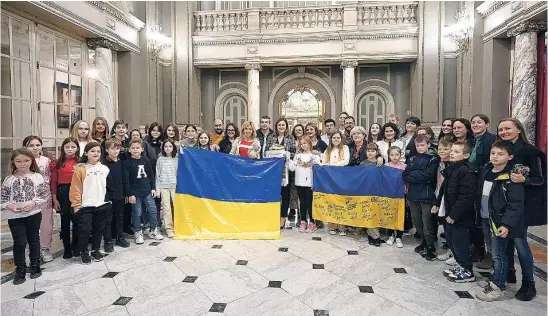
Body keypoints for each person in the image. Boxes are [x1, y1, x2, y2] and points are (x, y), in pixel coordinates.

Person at [497, 118, 545, 300]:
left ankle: (529, 282)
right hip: (502, 202)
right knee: (504, 241)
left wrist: (526, 180)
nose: (504, 132)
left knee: (519, 242)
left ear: (518, 129)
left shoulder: (531, 152)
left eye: (508, 128)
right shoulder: (499, 150)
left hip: (522, 205)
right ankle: (509, 272)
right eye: (501, 129)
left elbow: (541, 179)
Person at [476, 140, 525, 301]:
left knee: (499, 255)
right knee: (491, 249)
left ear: (510, 156)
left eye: (500, 154)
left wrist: (507, 224)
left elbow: (515, 204)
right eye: (493, 153)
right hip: (485, 216)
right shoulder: (486, 170)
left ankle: (498, 286)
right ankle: (496, 277)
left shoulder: (511, 177)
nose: (495, 157)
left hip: (499, 221)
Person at [1, 148, 49, 284]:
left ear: (31, 161)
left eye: (26, 161)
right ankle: (20, 269)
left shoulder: (37, 177)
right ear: (13, 162)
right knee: (19, 243)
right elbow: (2, 198)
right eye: (19, 161)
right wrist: (10, 206)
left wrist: (34, 203)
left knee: (34, 240)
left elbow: (43, 194)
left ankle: (35, 265)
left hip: (33, 214)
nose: (22, 164)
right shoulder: (8, 179)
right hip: (15, 217)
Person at [438, 141, 478, 283]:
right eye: (452, 150)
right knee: (451, 240)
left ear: (466, 155)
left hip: (460, 216)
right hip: (450, 212)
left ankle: (467, 271)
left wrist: (454, 214)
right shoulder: (453, 168)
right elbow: (445, 191)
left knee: (459, 242)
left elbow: (465, 197)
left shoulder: (467, 171)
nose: (452, 153)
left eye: (456, 152)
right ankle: (461, 266)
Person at [70, 142, 114, 264]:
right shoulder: (80, 169)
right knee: (84, 230)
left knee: (98, 229)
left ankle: (95, 249)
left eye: (98, 151)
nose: (96, 153)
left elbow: (109, 187)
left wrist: (109, 201)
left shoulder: (104, 168)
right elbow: (75, 188)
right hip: (85, 206)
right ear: (86, 153)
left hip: (101, 204)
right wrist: (76, 205)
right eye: (92, 151)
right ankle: (84, 251)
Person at [402, 134, 439, 261]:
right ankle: (423, 241)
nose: (420, 147)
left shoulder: (433, 159)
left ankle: (430, 246)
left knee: (427, 222)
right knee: (417, 222)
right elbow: (405, 175)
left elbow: (429, 176)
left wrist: (415, 174)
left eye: (422, 145)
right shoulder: (412, 159)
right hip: (413, 194)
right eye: (417, 145)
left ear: (428, 145)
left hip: (427, 195)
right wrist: (418, 174)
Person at [123, 139, 163, 244]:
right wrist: (130, 194)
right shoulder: (127, 163)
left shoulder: (145, 160)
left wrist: (153, 188)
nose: (135, 150)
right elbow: (126, 180)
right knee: (137, 213)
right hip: (135, 193)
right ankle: (138, 232)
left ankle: (153, 229)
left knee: (153, 210)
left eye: (137, 148)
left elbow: (150, 175)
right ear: (129, 149)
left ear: (142, 149)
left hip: (147, 190)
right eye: (133, 148)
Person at [23, 136, 54, 263]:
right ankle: (29, 250)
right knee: (29, 224)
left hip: (45, 197)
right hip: (28, 198)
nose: (35, 148)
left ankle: (45, 248)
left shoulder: (46, 160)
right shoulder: (22, 161)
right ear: (25, 147)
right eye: (31, 145)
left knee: (46, 224)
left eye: (37, 145)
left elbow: (51, 178)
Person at [50, 138, 80, 259]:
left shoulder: (81, 162)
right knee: (65, 220)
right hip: (63, 192)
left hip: (77, 192)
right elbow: (53, 182)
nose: (70, 149)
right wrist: (55, 199)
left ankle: (76, 246)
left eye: (73, 147)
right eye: (67, 147)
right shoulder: (57, 163)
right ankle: (67, 248)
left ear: (77, 148)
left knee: (77, 220)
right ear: (63, 148)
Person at [265, 118, 297, 228]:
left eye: (283, 125)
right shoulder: (271, 137)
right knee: (274, 194)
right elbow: (267, 152)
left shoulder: (290, 138)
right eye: (279, 125)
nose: (281, 127)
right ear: (276, 126)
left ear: (286, 126)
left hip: (286, 171)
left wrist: (286, 155)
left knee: (285, 195)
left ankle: (282, 218)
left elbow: (294, 153)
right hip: (273, 171)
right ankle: (274, 216)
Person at [102, 138, 130, 251]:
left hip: (120, 195)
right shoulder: (103, 164)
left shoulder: (121, 163)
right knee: (108, 219)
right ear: (107, 149)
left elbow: (125, 179)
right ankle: (108, 240)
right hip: (107, 196)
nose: (115, 151)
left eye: (117, 148)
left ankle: (120, 237)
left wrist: (127, 194)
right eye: (112, 148)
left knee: (119, 217)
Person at [289, 136, 321, 233]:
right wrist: (288, 160)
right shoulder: (298, 156)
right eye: (302, 143)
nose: (304, 145)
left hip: (310, 182)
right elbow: (292, 168)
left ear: (310, 144)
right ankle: (303, 221)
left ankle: (312, 222)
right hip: (299, 182)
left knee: (309, 202)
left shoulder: (314, 156)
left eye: (305, 143)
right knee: (302, 202)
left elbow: (318, 167)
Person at [322, 131, 350, 236]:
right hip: (330, 179)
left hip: (341, 178)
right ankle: (332, 226)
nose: (336, 139)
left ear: (341, 138)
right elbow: (324, 163)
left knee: (341, 201)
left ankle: (342, 227)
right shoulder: (327, 150)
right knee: (331, 201)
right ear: (331, 139)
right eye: (334, 138)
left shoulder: (345, 148)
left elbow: (345, 161)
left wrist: (332, 165)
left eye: (338, 137)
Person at [434, 136, 456, 264]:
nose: (442, 151)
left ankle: (456, 254)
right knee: (446, 227)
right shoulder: (440, 163)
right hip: (440, 196)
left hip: (449, 199)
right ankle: (450, 250)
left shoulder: (452, 165)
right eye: (440, 149)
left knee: (452, 227)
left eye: (446, 149)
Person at [385, 146, 407, 248]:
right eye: (392, 155)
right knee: (389, 214)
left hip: (401, 195)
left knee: (400, 215)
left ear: (400, 155)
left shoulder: (404, 167)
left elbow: (407, 182)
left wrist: (407, 193)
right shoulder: (386, 166)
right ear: (389, 156)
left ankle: (399, 236)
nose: (394, 157)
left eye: (396, 154)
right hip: (389, 195)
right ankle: (390, 235)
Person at [156, 139, 178, 238]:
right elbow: (157, 174)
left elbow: (178, 173)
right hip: (163, 187)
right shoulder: (160, 159)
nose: (168, 148)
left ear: (173, 148)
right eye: (166, 146)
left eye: (170, 146)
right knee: (166, 208)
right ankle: (169, 228)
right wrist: (158, 188)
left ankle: (177, 226)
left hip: (175, 187)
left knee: (177, 208)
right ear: (163, 148)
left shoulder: (176, 158)